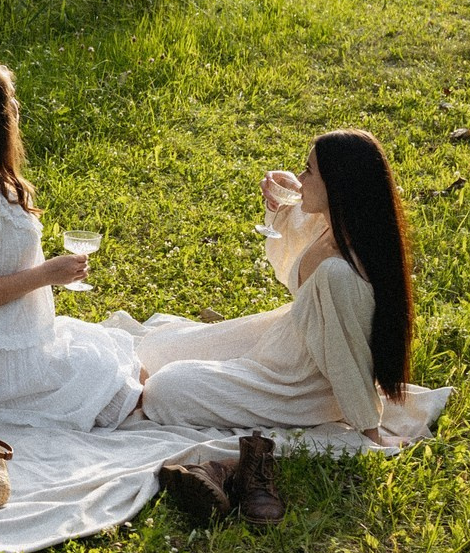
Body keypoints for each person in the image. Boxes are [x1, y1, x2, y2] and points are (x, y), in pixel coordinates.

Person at [131, 129, 417, 439]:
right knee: (152, 348)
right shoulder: (335, 224)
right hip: (281, 338)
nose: (300, 178)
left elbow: (345, 354)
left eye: (308, 171)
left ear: (337, 184)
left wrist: (368, 428)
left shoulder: (340, 274)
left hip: (299, 383)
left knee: (163, 390)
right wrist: (279, 202)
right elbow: (292, 241)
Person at [0, 57, 141, 430]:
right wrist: (46, 274)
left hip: (6, 340)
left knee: (119, 360)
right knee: (128, 392)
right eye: (10, 100)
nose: (17, 108)